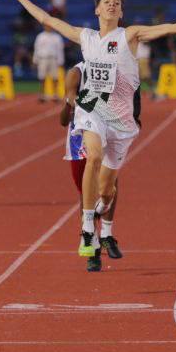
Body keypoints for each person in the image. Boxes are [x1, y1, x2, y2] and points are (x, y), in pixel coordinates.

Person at [8, 0, 176, 258]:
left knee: (108, 191)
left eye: (117, 2)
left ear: (121, 12)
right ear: (97, 11)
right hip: (91, 108)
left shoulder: (131, 35)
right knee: (92, 155)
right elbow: (47, 18)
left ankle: (101, 211)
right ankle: (88, 226)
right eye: (107, 2)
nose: (112, 4)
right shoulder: (86, 36)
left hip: (122, 120)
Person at [60, 61, 127, 272]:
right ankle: (92, 246)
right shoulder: (78, 70)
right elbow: (64, 117)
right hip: (80, 142)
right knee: (85, 194)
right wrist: (72, 102)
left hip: (106, 134)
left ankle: (107, 233)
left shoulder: (116, 68)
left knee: (109, 185)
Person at [32, 23, 65, 102]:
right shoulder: (40, 36)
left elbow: (60, 49)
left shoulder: (57, 37)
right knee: (42, 77)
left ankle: (55, 94)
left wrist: (61, 60)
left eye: (50, 26)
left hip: (53, 58)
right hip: (42, 58)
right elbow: (36, 48)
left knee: (55, 77)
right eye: (47, 26)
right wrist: (35, 59)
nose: (48, 27)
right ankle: (42, 95)